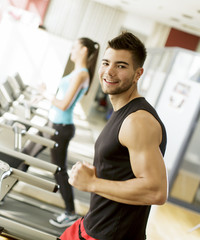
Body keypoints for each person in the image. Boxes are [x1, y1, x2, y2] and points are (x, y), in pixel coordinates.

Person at [61, 32, 168, 240]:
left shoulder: (138, 121)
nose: (109, 72)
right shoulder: (122, 112)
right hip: (91, 225)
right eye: (106, 63)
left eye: (121, 66)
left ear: (138, 74)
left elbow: (156, 191)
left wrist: (92, 183)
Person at [21, 37, 100, 228]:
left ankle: (70, 212)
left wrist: (47, 95)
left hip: (60, 128)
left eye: (75, 46)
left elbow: (64, 104)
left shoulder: (82, 74)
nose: (71, 50)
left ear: (83, 50)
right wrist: (46, 93)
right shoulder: (77, 72)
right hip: (52, 123)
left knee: (59, 171)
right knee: (24, 156)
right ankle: (0, 193)